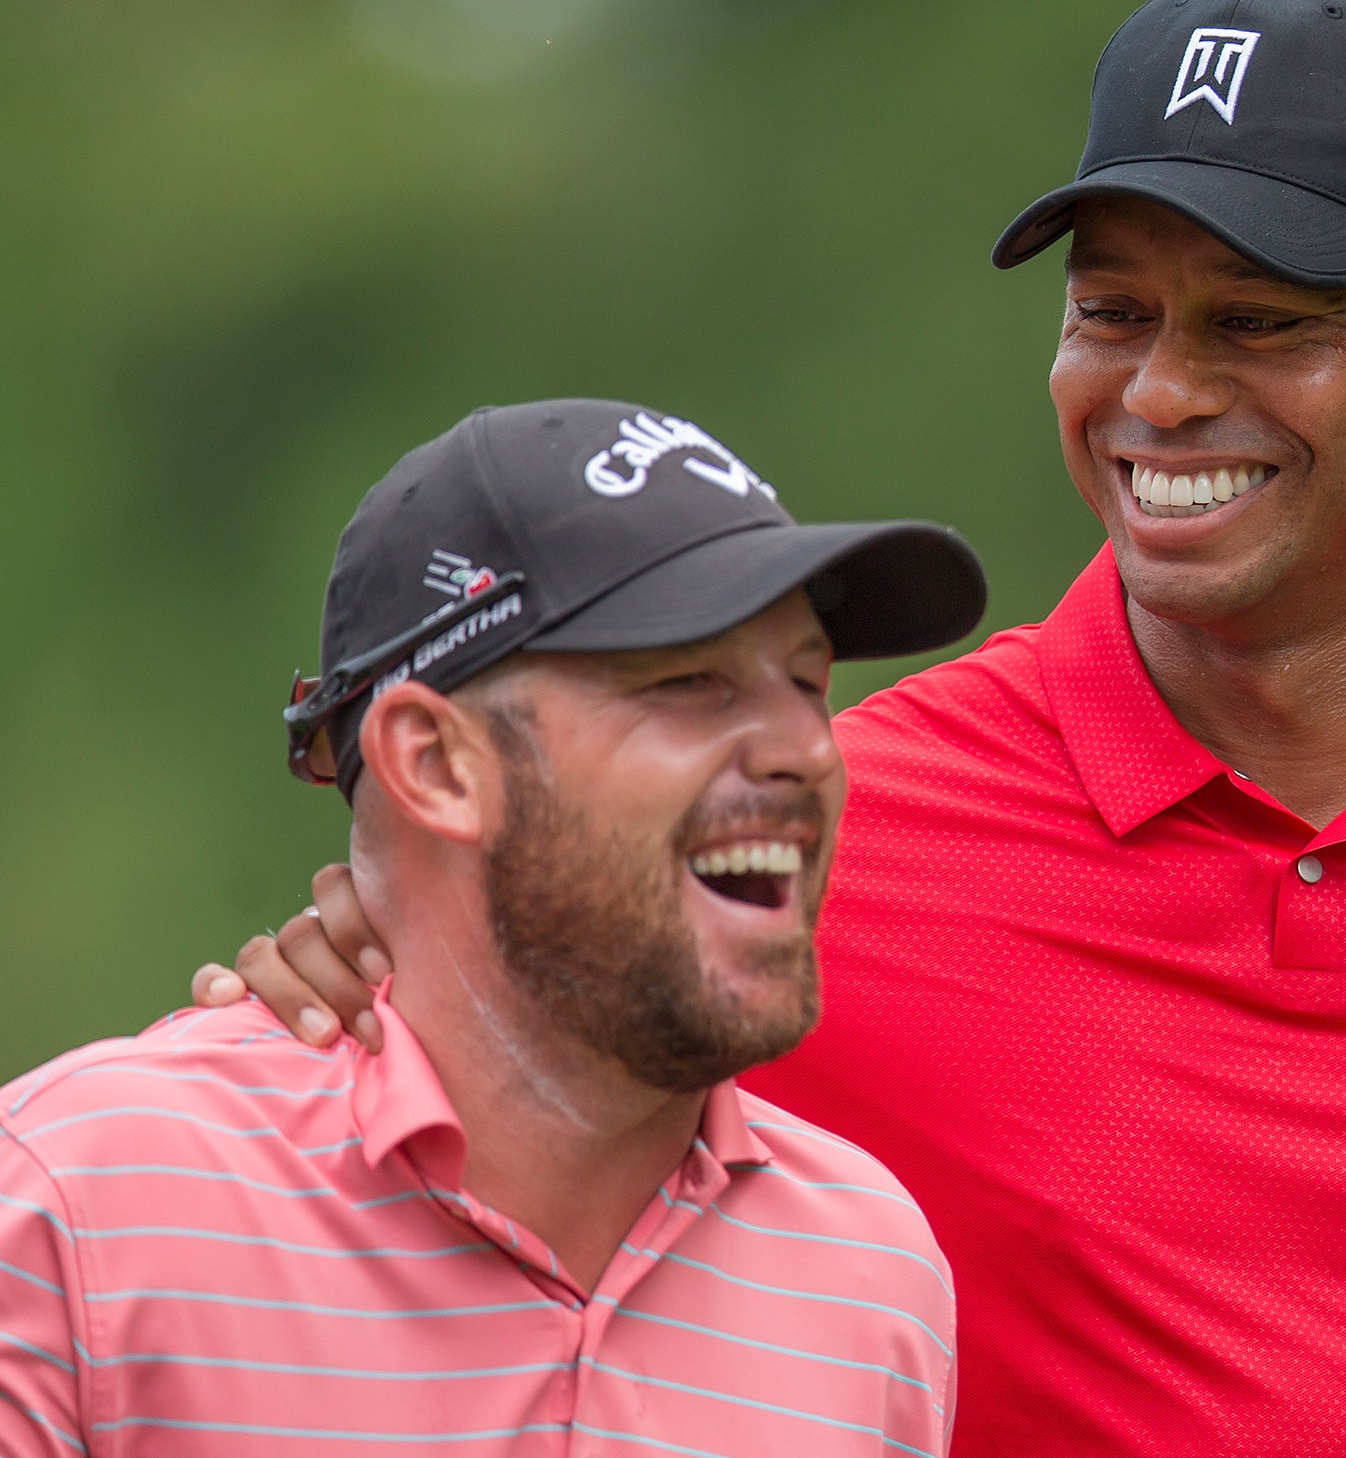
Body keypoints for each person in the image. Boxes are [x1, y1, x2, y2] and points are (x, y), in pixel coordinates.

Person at [194, 0, 1346, 1458]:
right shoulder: (802, 839)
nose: (1157, 396)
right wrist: (382, 944)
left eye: (1256, 324)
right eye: (1112, 313)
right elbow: (418, 1188)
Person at [1, 398, 986, 1455]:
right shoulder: (78, 1207)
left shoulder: (873, 1282)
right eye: (687, 681)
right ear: (434, 764)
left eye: (805, 681)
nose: (809, 748)